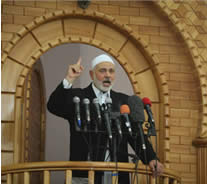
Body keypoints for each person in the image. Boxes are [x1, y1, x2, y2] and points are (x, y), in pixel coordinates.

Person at [47, 54, 164, 184]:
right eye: (102, 71)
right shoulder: (78, 98)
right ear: (92, 75)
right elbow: (54, 106)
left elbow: (136, 135)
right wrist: (69, 78)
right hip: (84, 175)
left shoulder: (123, 101)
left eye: (111, 71)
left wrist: (151, 158)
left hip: (116, 175)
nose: (107, 75)